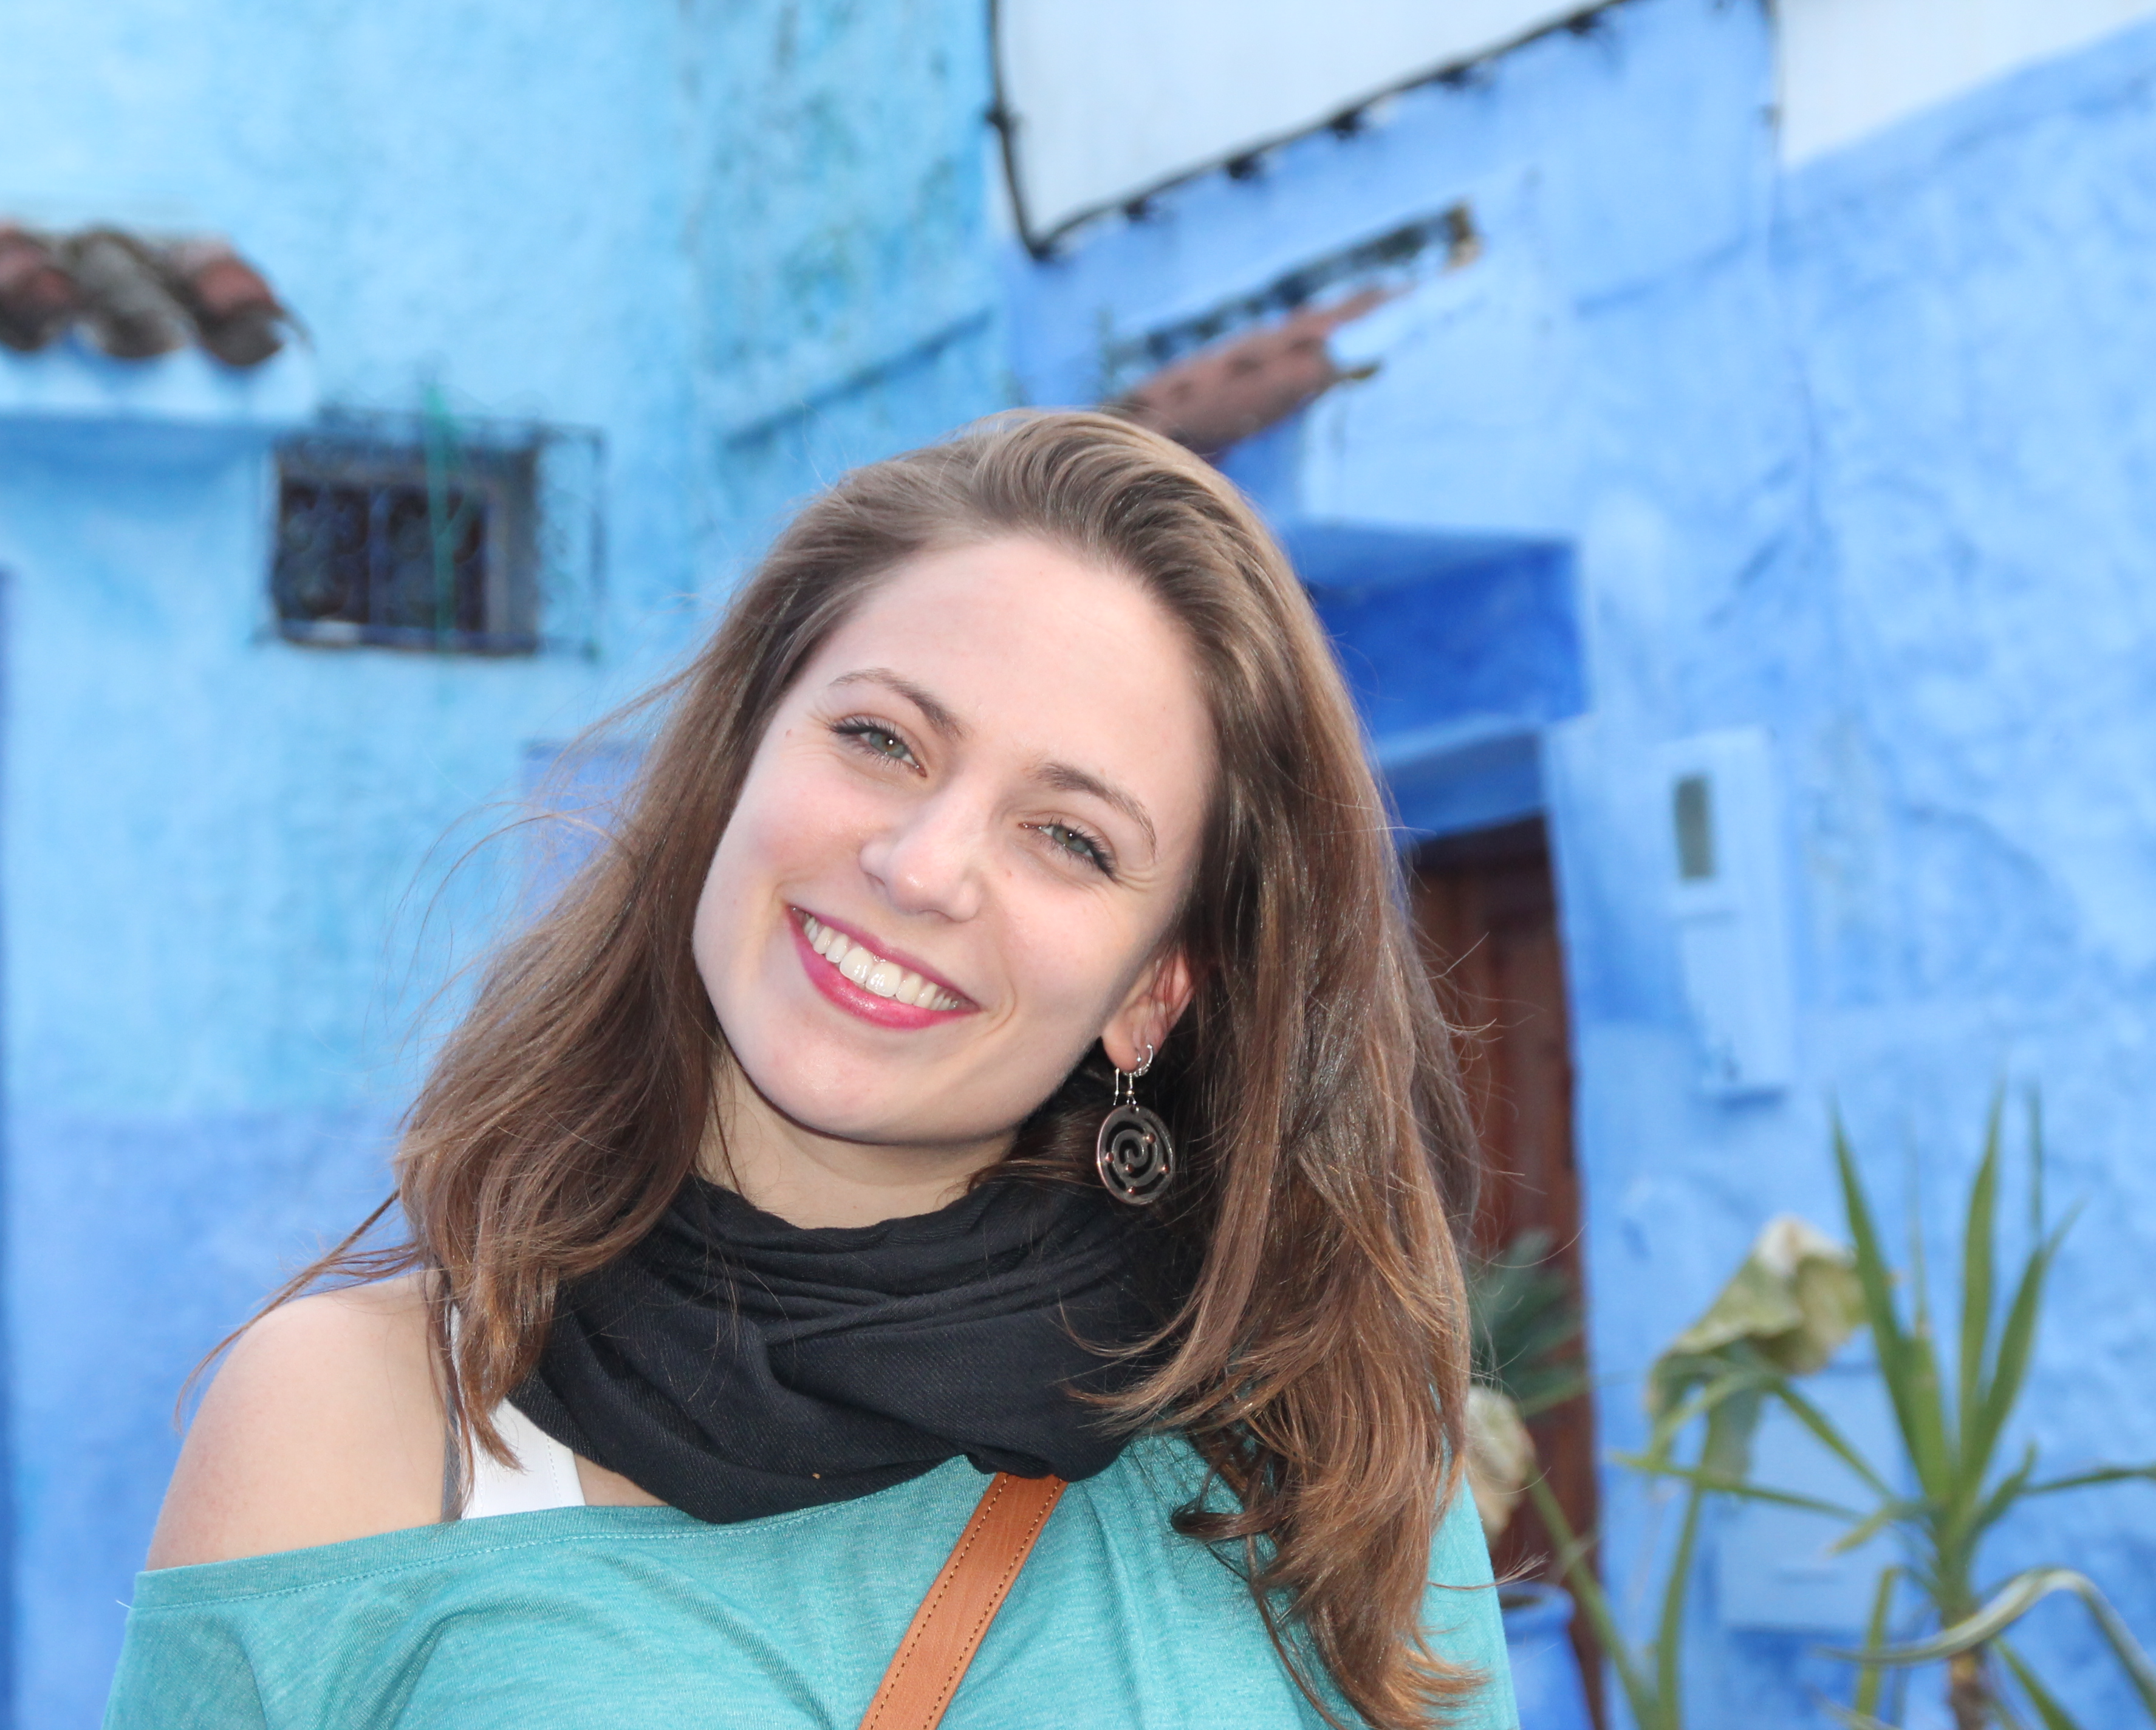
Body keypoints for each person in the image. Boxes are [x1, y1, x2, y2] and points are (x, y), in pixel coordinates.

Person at [104, 411, 1516, 1729]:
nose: (923, 865)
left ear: (1151, 995)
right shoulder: (348, 1421)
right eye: (880, 740)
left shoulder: (1323, 1454)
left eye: (1070, 837)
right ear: (736, 758)